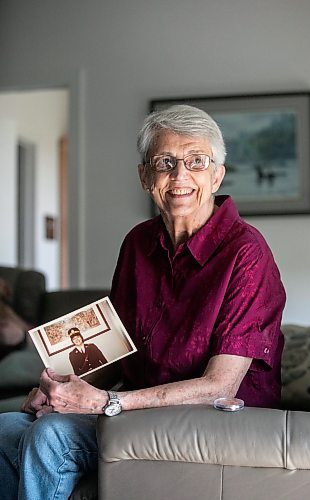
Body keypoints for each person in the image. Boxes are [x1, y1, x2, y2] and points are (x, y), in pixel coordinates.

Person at [0, 105, 286, 499]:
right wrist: (61, 386)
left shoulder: (246, 252)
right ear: (145, 177)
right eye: (165, 161)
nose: (180, 175)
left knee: (52, 436)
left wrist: (106, 401)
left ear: (217, 175)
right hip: (139, 413)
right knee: (6, 428)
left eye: (197, 161)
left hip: (216, 421)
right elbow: (111, 347)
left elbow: (220, 386)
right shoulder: (138, 242)